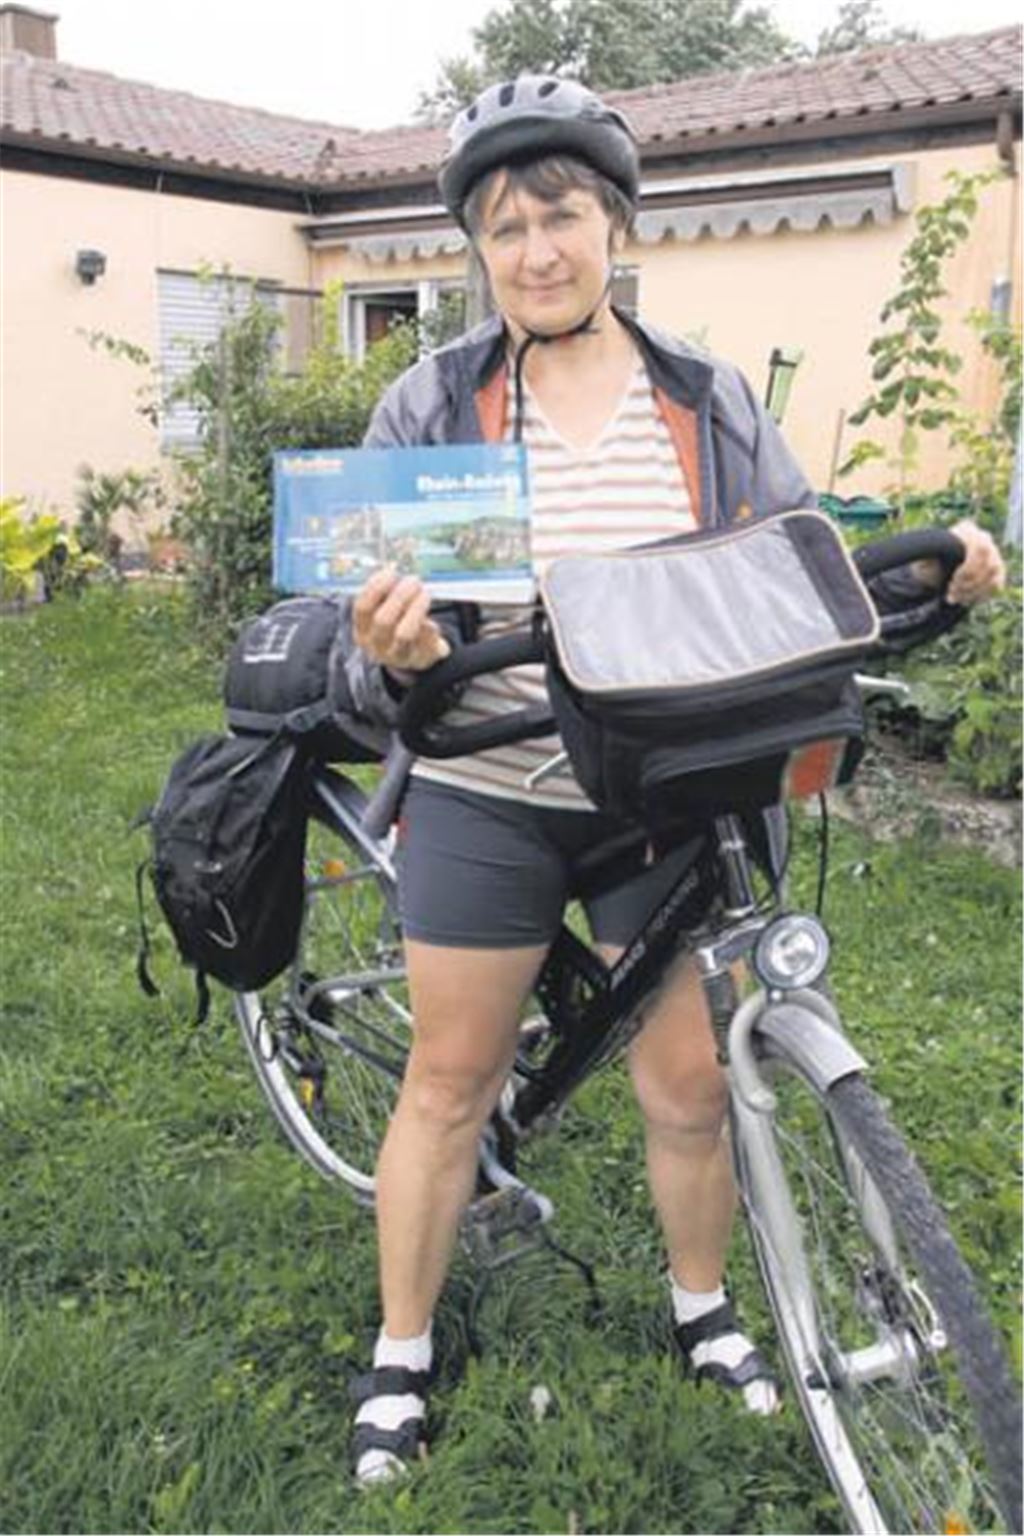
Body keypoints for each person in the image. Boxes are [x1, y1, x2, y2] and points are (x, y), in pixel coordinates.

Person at [346, 76, 1006, 1485]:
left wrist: (929, 559)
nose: (536, 249)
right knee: (453, 1076)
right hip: (493, 777)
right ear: (477, 244)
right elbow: (377, 603)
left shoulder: (698, 397)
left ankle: (702, 1309)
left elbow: (793, 560)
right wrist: (393, 646)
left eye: (562, 216)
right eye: (506, 226)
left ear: (612, 223)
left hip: (668, 784)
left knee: (692, 1090)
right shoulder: (431, 401)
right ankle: (401, 1349)